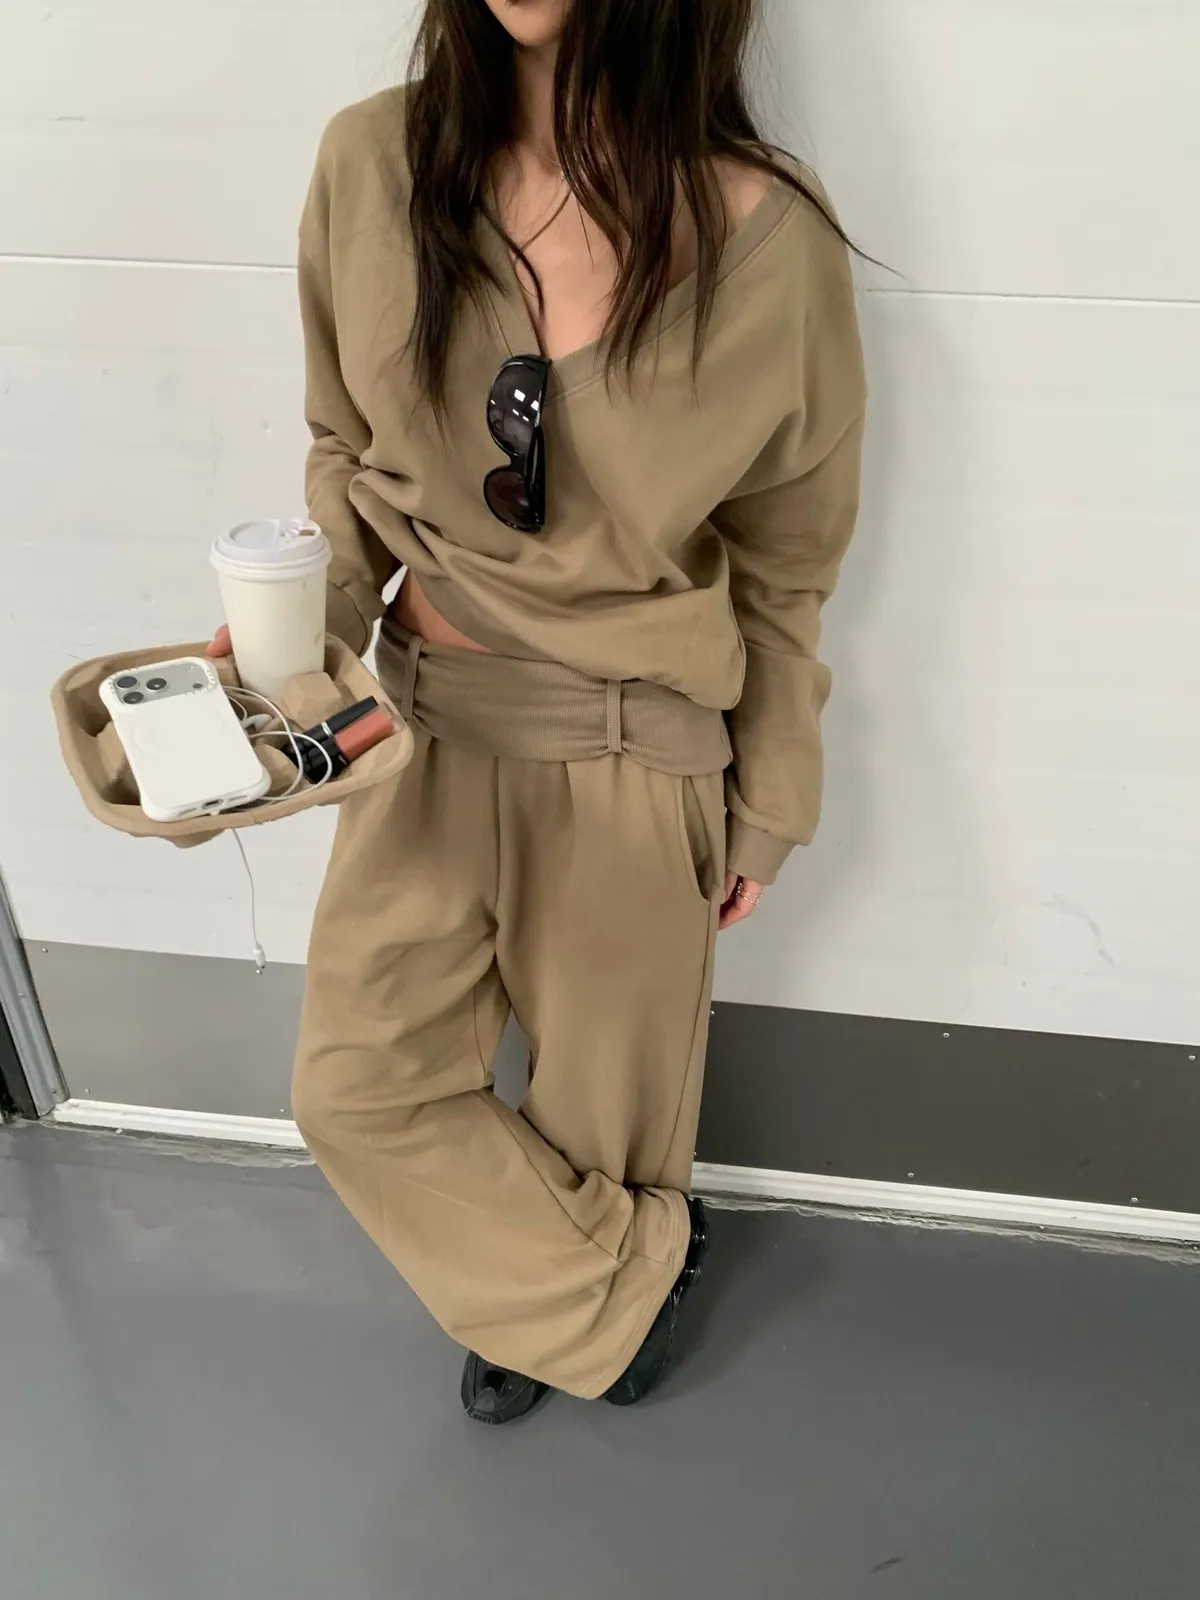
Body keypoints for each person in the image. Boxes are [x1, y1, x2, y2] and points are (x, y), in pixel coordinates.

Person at [225, 0, 865, 1424]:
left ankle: (562, 1284)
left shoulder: (768, 239)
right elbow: (345, 454)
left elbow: (786, 563)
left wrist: (771, 796)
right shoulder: (370, 165)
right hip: (424, 725)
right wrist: (295, 642)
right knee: (357, 1085)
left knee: (607, 1114)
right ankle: (598, 1284)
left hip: (639, 743)